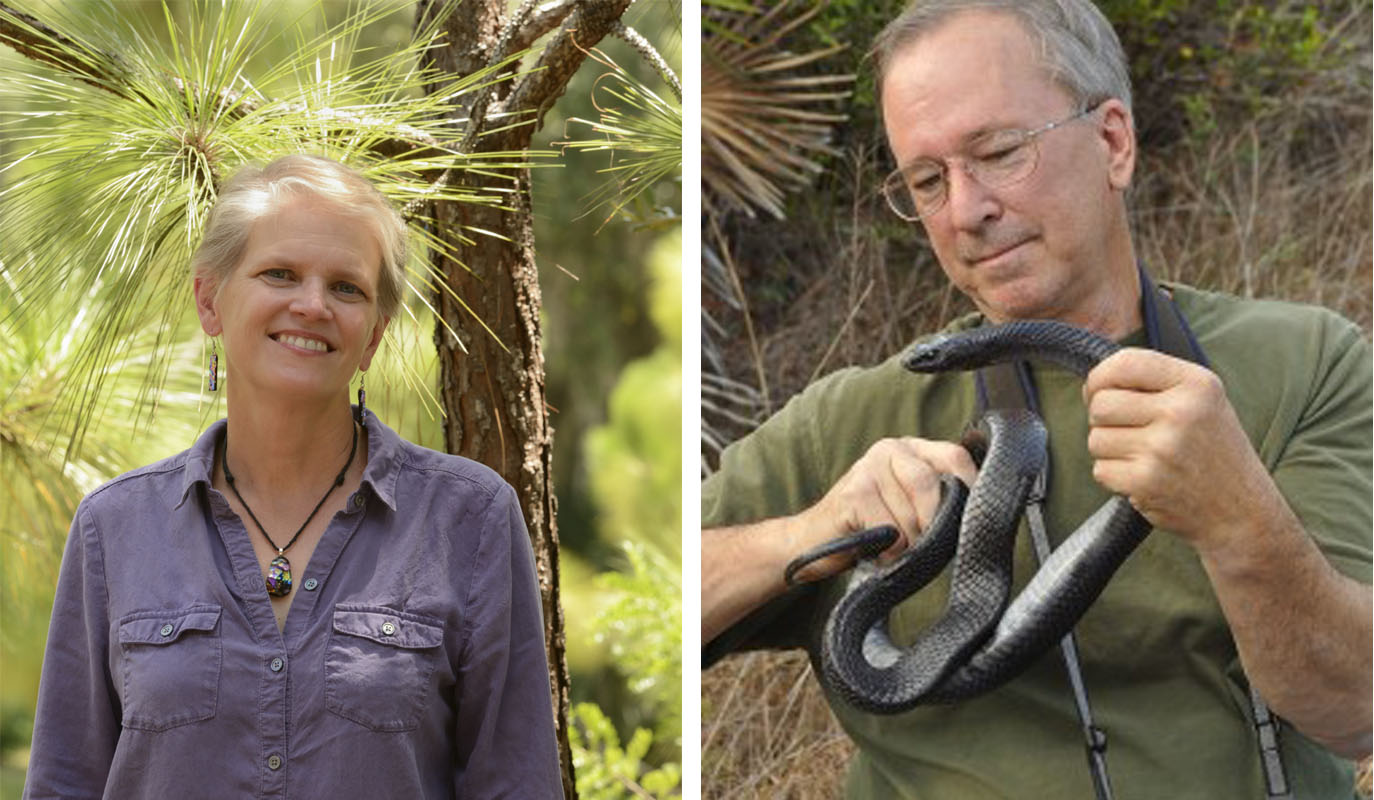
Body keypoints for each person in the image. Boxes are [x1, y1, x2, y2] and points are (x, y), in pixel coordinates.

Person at [701, 1, 1371, 797]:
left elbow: (1355, 713)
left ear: (1113, 142)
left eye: (999, 151)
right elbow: (627, 607)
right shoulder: (848, 421)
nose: (965, 211)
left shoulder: (1302, 362)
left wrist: (1239, 516)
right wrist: (814, 530)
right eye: (926, 181)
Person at [23, 154, 564, 799]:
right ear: (209, 301)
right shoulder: (114, 529)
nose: (312, 305)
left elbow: (516, 785)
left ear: (373, 336)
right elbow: (64, 784)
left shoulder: (469, 520)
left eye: (346, 288)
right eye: (279, 274)